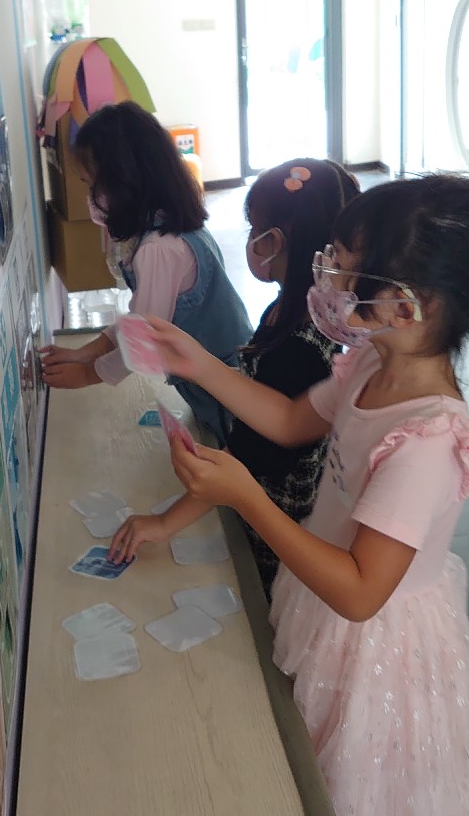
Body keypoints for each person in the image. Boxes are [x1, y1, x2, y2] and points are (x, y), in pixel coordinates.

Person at [146, 173, 469, 816]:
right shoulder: (370, 363)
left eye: (344, 267)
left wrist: (245, 497)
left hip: (379, 654)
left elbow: (363, 591)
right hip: (329, 612)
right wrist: (197, 363)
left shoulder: (427, 439)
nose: (327, 280)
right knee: (337, 804)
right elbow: (289, 419)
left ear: (406, 306)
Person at [108, 157, 360, 594]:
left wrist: (165, 522)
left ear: (273, 240)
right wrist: (201, 364)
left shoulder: (299, 347)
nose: (249, 240)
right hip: (273, 499)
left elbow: (251, 455)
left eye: (253, 228)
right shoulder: (293, 311)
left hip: (276, 527)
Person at [37, 101, 252, 445]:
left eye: (92, 185)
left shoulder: (159, 249)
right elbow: (142, 316)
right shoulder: (170, 223)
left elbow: (143, 341)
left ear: (124, 182)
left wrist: (87, 374)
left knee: (229, 455)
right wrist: (84, 352)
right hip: (221, 376)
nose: (90, 198)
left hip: (226, 394)